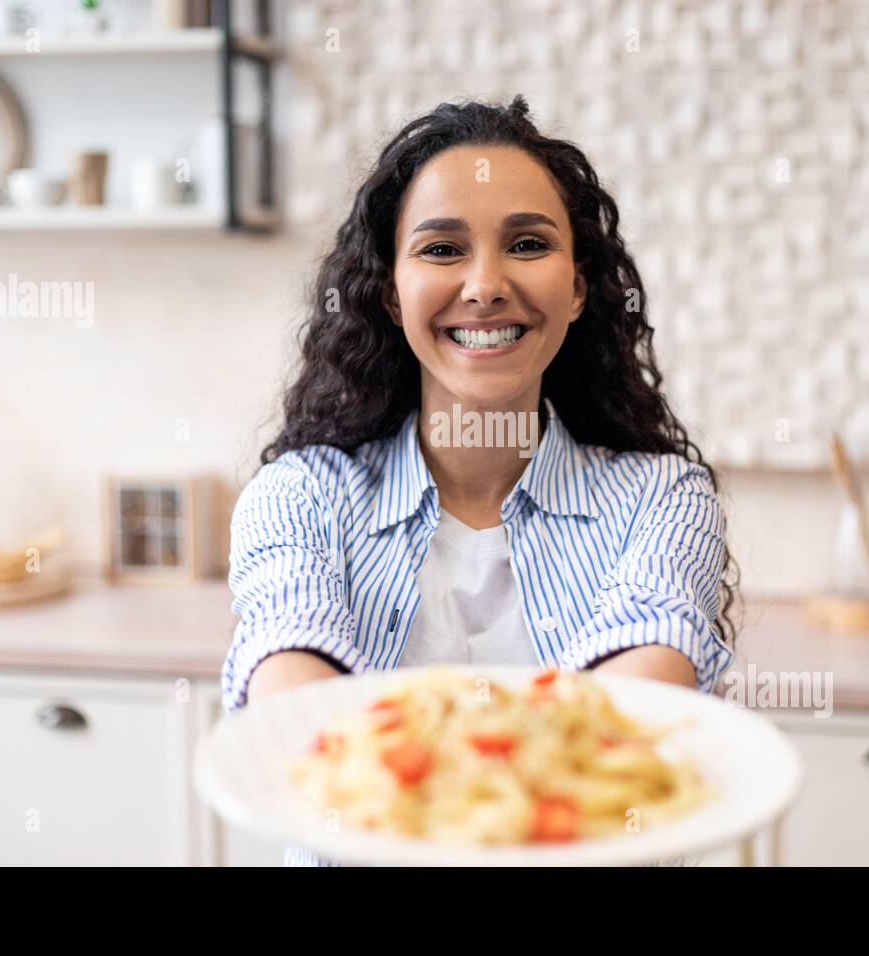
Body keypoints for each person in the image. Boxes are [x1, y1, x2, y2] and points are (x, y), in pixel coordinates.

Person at [222, 95, 740, 866]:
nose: (486, 284)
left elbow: (626, 721)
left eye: (528, 243)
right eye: (441, 250)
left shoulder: (664, 501)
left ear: (576, 286)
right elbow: (298, 724)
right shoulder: (300, 498)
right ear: (391, 293)